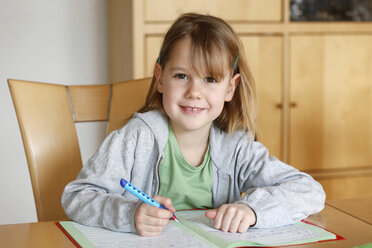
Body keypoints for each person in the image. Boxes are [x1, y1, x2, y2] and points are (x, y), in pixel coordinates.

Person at [62, 13, 325, 237]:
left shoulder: (237, 147)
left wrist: (252, 210)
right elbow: (77, 196)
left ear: (230, 88)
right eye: (181, 76)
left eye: (210, 79)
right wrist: (130, 214)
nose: (194, 92)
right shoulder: (137, 137)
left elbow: (309, 191)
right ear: (161, 78)